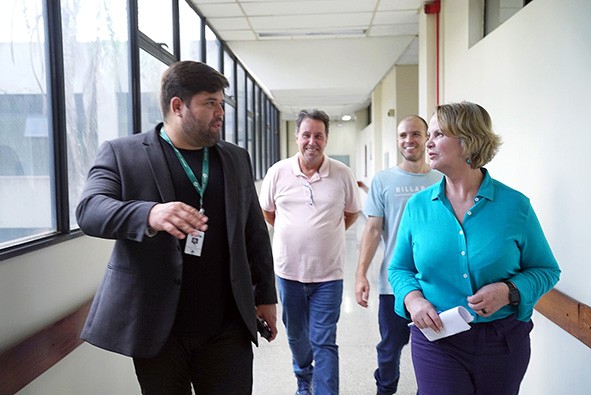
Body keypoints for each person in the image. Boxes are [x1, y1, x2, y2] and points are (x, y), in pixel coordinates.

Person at [76, 60, 278, 395]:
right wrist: (149, 214)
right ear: (177, 106)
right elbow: (89, 210)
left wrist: (266, 296)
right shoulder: (123, 154)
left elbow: (254, 232)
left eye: (221, 103)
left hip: (227, 325)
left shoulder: (235, 158)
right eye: (209, 103)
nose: (220, 112)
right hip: (159, 329)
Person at [388, 101, 561, 395]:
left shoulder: (515, 206)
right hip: (437, 338)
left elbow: (546, 270)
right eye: (429, 134)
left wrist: (509, 291)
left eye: (439, 134)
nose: (427, 143)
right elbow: (399, 268)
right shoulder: (418, 206)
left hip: (502, 340)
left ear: (468, 141)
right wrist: (413, 300)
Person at [258, 109, 361, 395]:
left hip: (329, 275)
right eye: (306, 135)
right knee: (297, 337)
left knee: (325, 340)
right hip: (288, 272)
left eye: (318, 135)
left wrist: (325, 232)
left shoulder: (342, 174)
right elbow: (268, 212)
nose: (312, 141)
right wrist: (296, 232)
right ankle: (304, 376)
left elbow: (352, 212)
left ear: (327, 139)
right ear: (297, 137)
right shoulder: (278, 172)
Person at [355, 115, 441, 395]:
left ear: (427, 138)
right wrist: (361, 275)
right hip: (394, 283)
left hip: (435, 285)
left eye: (415, 134)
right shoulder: (384, 180)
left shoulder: (441, 179)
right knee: (390, 348)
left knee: (433, 349)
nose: (409, 140)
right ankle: (385, 389)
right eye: (403, 135)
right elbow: (373, 229)